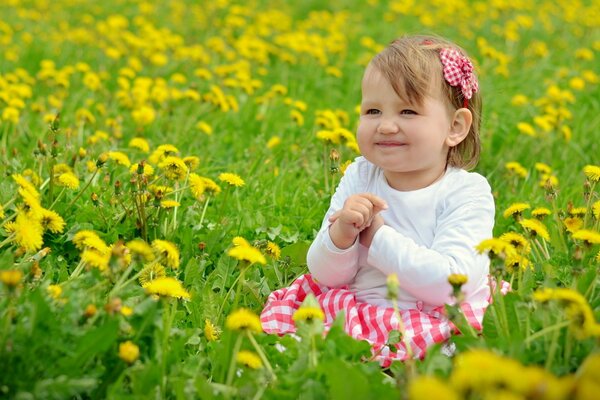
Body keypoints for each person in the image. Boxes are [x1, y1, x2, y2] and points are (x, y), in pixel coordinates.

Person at [261, 34, 495, 365]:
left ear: (455, 126)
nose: (385, 126)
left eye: (408, 111)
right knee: (295, 355)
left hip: (437, 320)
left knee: (448, 362)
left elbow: (452, 286)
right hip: (360, 315)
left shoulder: (466, 193)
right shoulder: (360, 175)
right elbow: (325, 274)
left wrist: (377, 239)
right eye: (373, 110)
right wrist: (340, 237)